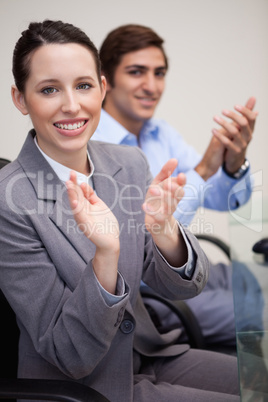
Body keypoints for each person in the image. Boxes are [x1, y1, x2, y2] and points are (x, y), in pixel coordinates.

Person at [0, 19, 240, 402]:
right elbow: (69, 354)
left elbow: (183, 287)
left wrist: (165, 233)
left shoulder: (128, 162)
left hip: (151, 355)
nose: (72, 105)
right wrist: (106, 257)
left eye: (83, 85)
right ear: (20, 98)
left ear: (102, 88)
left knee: (259, 378)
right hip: (83, 385)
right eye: (49, 89)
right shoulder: (9, 199)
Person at [94, 24, 258, 347]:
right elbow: (146, 240)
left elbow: (226, 200)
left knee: (256, 277)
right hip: (147, 294)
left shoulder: (160, 133)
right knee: (257, 311)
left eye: (160, 73)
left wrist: (234, 161)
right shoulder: (95, 146)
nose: (151, 85)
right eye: (137, 72)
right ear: (107, 80)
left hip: (184, 268)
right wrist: (204, 168)